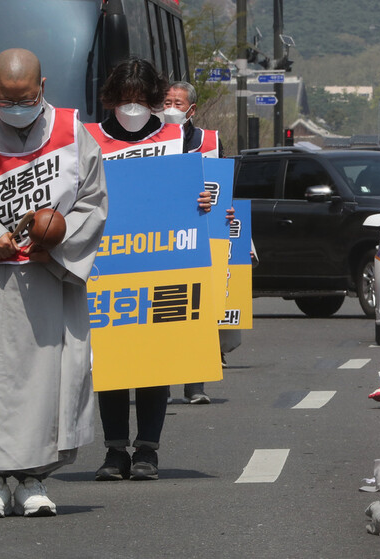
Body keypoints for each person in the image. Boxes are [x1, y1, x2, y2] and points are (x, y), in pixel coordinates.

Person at [0, 48, 108, 517]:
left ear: (42, 88)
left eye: (24, 97)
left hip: (46, 278)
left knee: (50, 378)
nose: (16, 106)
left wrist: (55, 240)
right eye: (6, 98)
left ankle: (34, 478)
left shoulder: (71, 132)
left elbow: (93, 202)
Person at [85, 58, 212, 482]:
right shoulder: (90, 140)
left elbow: (204, 190)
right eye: (126, 99)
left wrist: (204, 202)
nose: (133, 107)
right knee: (112, 362)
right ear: (112, 100)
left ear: (155, 100)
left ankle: (148, 451)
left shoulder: (178, 138)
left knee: (154, 360)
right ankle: (114, 450)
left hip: (163, 261)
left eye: (141, 99)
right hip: (109, 264)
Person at [163, 80, 229, 404]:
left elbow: (223, 188)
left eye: (178, 103)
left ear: (192, 109)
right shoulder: (150, 141)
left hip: (199, 236)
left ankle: (195, 385)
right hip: (160, 239)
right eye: (166, 102)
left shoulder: (209, 141)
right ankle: (157, 381)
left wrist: (215, 203)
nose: (171, 108)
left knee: (196, 310)